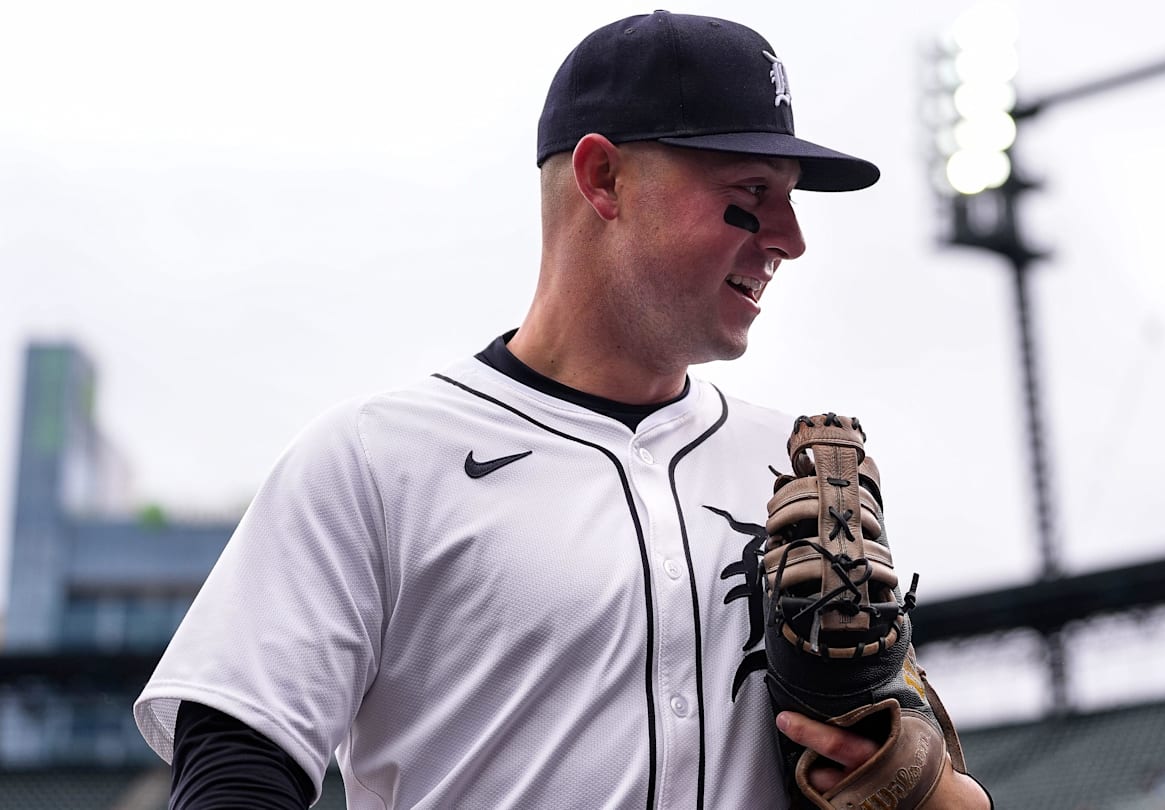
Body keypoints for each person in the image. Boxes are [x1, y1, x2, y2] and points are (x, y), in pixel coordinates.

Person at [134, 11, 991, 808]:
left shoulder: (790, 463)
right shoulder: (377, 459)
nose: (790, 238)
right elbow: (237, 756)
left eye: (791, 196)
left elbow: (905, 752)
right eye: (753, 189)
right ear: (603, 177)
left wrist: (942, 794)